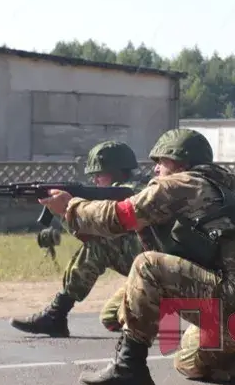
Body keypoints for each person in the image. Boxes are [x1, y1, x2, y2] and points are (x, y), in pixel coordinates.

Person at [39, 128, 235, 385]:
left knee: (148, 266)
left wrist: (70, 207)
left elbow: (119, 217)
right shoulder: (219, 191)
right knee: (187, 361)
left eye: (160, 162)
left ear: (180, 163)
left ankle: (129, 367)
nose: (155, 170)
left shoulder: (183, 183)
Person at [9, 141, 146, 336]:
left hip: (158, 264)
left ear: (117, 172)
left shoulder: (137, 191)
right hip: (142, 265)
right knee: (111, 317)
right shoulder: (116, 193)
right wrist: (63, 210)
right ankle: (152, 308)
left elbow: (104, 229)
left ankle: (56, 314)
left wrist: (69, 210)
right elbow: (86, 233)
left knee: (100, 245)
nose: (95, 180)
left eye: (99, 175)